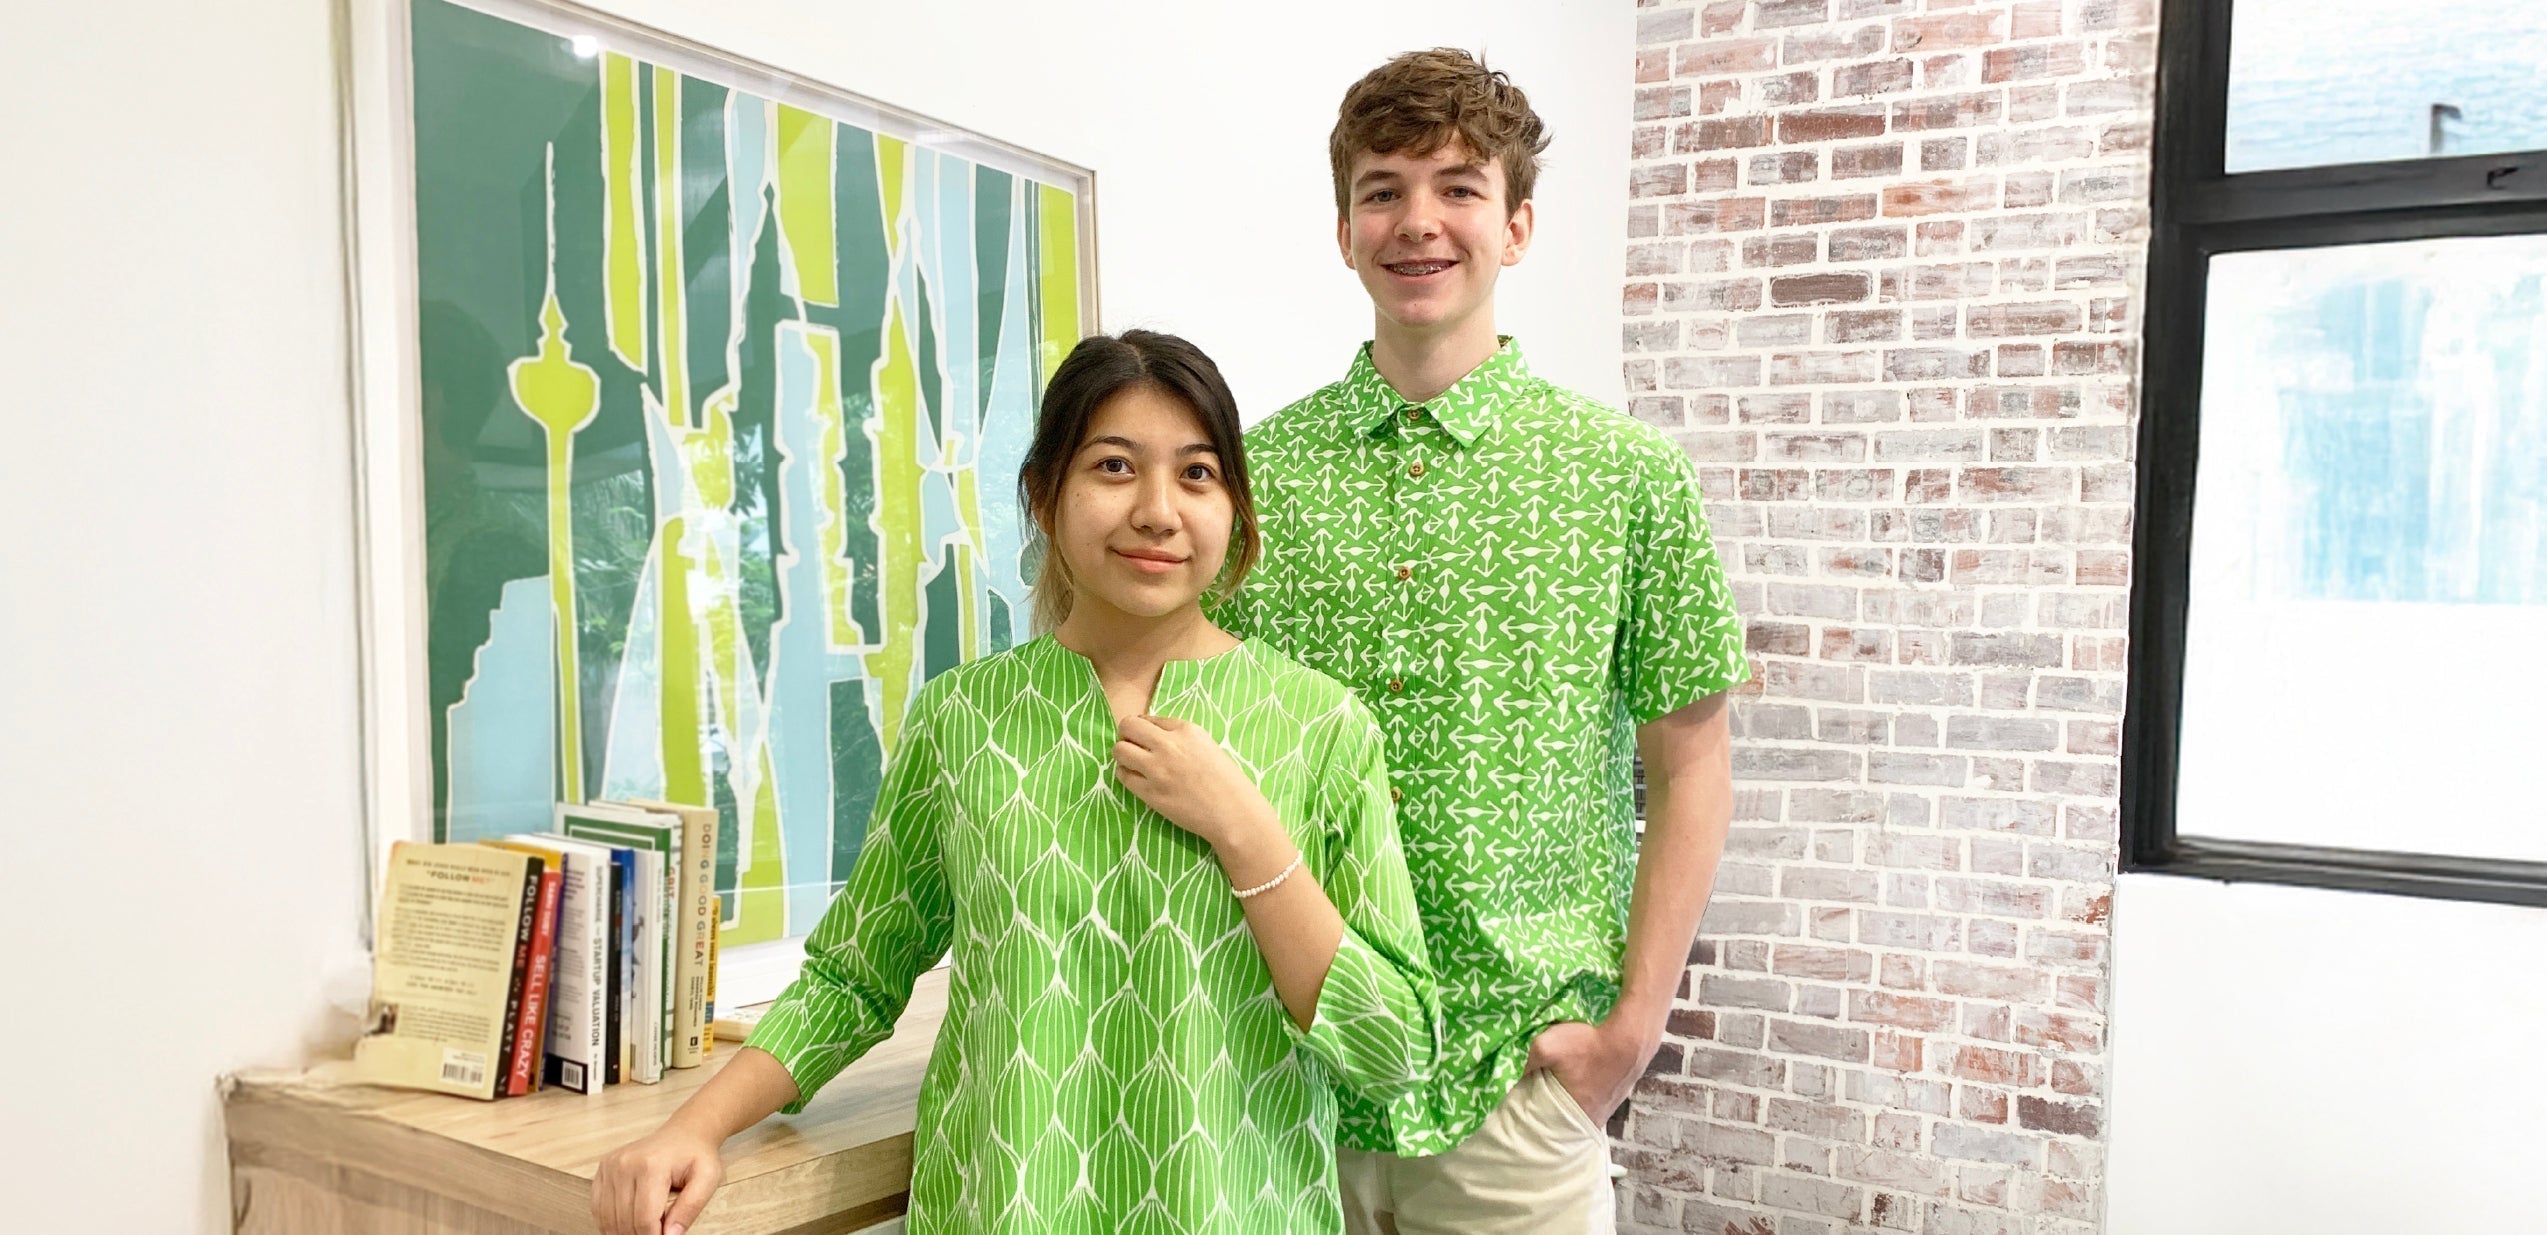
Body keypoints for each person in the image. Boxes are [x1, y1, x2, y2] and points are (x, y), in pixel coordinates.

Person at [591, 330, 1439, 1235]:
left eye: (1197, 474)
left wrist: (1248, 833)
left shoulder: (1322, 726)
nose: (1158, 510)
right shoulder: (964, 719)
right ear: (1044, 492)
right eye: (1115, 466)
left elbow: (1396, 1047)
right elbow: (854, 976)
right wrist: (697, 1125)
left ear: (1234, 506)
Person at [1220, 48, 1749, 1235]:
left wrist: (1632, 1029)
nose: (1419, 222)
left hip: (1516, 1084)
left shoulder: (1627, 478)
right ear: (1343, 228)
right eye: (1383, 189)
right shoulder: (1250, 482)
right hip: (1283, 1077)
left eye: (1458, 187)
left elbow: (1692, 769)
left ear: (1515, 225)